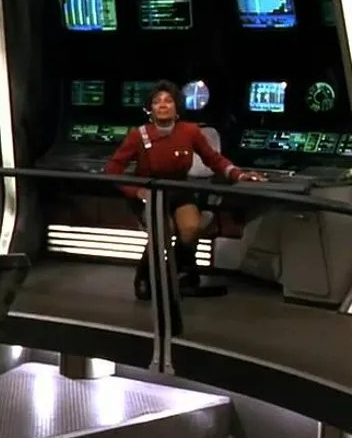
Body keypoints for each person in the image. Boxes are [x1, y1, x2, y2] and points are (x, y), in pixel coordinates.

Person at [104, 80, 264, 299]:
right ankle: (144, 279)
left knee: (190, 229)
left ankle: (182, 278)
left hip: (179, 192)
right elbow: (112, 169)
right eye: (157, 101)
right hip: (152, 195)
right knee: (164, 232)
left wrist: (238, 174)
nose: (163, 105)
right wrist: (137, 192)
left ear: (176, 106)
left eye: (168, 101)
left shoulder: (190, 132)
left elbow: (214, 159)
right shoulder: (138, 135)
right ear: (150, 108)